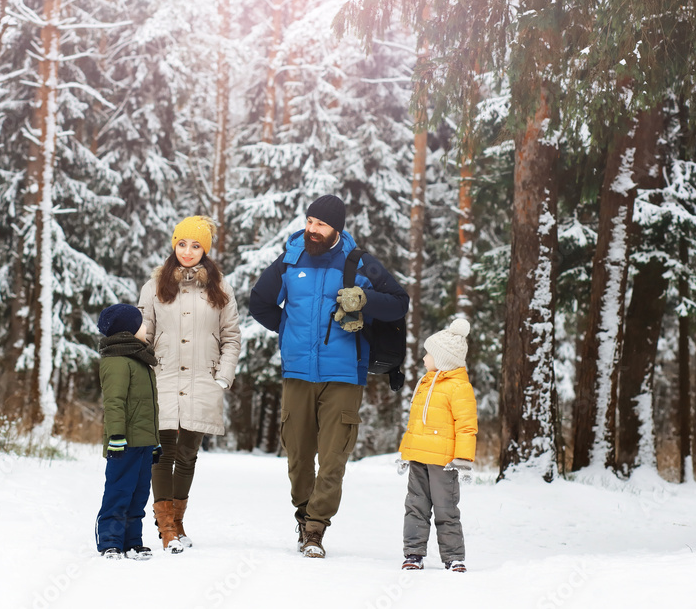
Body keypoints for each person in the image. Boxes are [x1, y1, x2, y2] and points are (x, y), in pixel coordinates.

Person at [249, 194, 410, 558]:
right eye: (309, 222)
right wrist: (288, 330)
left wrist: (365, 301)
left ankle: (316, 529)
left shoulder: (359, 262)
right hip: (298, 373)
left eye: (320, 224)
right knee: (298, 456)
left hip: (344, 375)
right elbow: (259, 301)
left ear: (336, 228)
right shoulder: (291, 258)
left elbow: (399, 302)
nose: (312, 230)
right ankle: (303, 513)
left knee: (333, 456)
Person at [138, 215, 241, 553]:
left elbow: (231, 337)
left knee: (187, 455)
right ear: (174, 244)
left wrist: (222, 377)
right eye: (182, 243)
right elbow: (144, 334)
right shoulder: (154, 285)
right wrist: (142, 375)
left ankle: (178, 522)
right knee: (162, 454)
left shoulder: (220, 287)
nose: (187, 251)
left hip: (203, 380)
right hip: (164, 379)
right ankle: (166, 527)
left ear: (205, 250)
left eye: (196, 245)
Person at [396, 318, 477, 572]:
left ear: (443, 358)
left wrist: (463, 459)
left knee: (446, 509)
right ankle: (413, 553)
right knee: (415, 506)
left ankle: (454, 556)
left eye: (428, 354)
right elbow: (415, 422)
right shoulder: (425, 382)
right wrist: (406, 452)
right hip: (419, 456)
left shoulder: (459, 387)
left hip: (444, 462)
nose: (423, 359)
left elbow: (466, 425)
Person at [94, 303, 162, 561]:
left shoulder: (141, 360)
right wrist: (116, 436)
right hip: (123, 443)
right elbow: (115, 402)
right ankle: (110, 541)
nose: (145, 328)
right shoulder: (117, 361)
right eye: (141, 324)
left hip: (144, 442)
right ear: (127, 331)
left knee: (139, 492)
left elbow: (149, 408)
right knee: (119, 491)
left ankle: (133, 541)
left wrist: (154, 441)